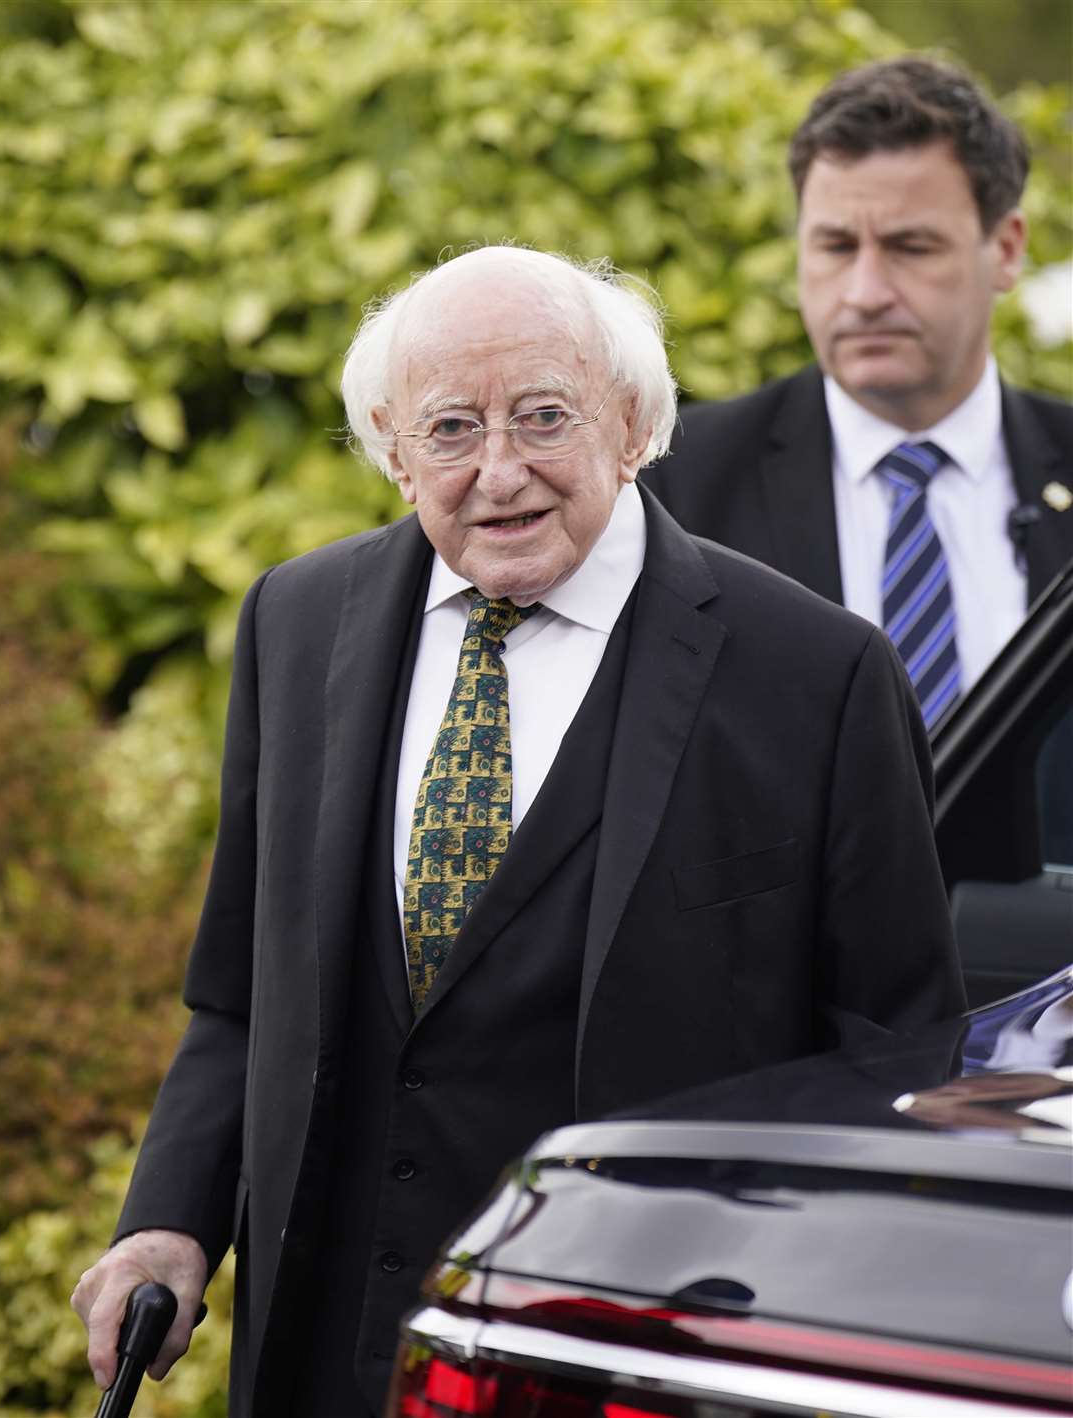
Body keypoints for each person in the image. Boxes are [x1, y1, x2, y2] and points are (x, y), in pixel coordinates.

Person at [72, 245, 963, 1418]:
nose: (500, 472)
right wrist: (168, 1221)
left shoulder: (819, 671)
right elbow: (242, 988)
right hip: (325, 1353)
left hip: (632, 1356)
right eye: (450, 428)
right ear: (393, 449)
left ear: (634, 422)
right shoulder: (296, 620)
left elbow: (894, 1054)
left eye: (545, 416)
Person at [643, 56, 1073, 729]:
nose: (866, 293)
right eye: (836, 246)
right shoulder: (673, 489)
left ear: (1008, 248)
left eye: (911, 246)